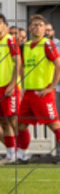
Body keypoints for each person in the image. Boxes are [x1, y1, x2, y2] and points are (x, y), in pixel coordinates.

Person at [16, 15, 60, 164]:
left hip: (43, 93)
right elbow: (22, 68)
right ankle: (23, 155)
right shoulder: (26, 46)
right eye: (34, 25)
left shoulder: (47, 44)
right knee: (21, 125)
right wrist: (22, 86)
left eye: (40, 25)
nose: (37, 28)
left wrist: (51, 87)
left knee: (54, 125)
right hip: (28, 93)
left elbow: (59, 65)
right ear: (29, 28)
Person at [0, 14, 22, 164]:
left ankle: (22, 152)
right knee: (4, 122)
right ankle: (10, 154)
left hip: (9, 87)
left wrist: (13, 83)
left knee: (13, 120)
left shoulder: (9, 40)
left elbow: (18, 61)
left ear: (4, 25)